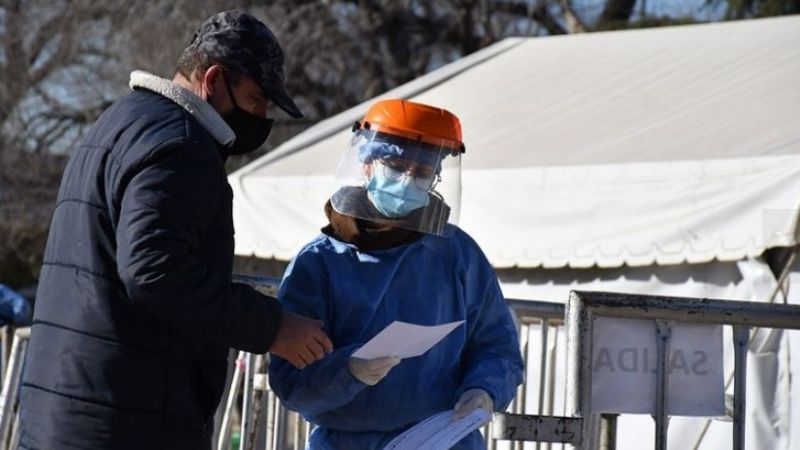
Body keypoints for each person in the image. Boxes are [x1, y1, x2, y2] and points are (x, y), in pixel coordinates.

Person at [18, 10, 332, 450]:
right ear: (214, 80)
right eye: (256, 99)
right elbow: (154, 271)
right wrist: (273, 327)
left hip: (66, 405)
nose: (261, 116)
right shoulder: (183, 144)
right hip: (126, 417)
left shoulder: (118, 122)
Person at [268, 99, 525, 450]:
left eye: (421, 172)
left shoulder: (457, 253)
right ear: (368, 163)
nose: (407, 180)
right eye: (395, 164)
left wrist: (484, 390)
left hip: (442, 440)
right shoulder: (320, 262)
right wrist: (348, 370)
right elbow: (290, 379)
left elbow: (497, 346)